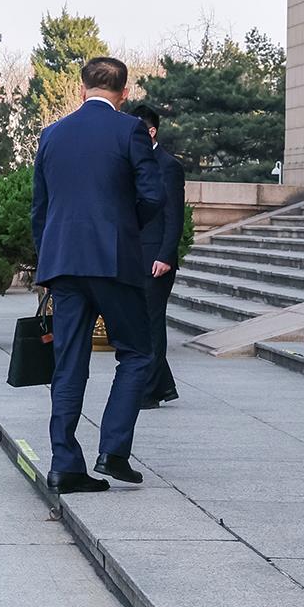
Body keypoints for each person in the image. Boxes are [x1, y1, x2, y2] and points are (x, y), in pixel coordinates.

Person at [32, 56, 168, 495]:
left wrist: (47, 259)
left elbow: (40, 208)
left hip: (63, 263)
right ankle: (112, 451)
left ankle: (64, 465)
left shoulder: (51, 134)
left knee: (68, 363)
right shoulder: (130, 130)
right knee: (137, 352)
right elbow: (153, 195)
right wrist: (124, 228)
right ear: (124, 93)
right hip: (113, 260)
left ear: (81, 88)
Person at [128, 104, 186, 408]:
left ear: (151, 131)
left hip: (156, 259)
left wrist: (165, 256)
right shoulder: (132, 162)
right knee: (137, 322)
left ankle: (148, 392)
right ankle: (163, 384)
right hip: (133, 255)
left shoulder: (168, 166)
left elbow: (174, 217)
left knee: (151, 323)